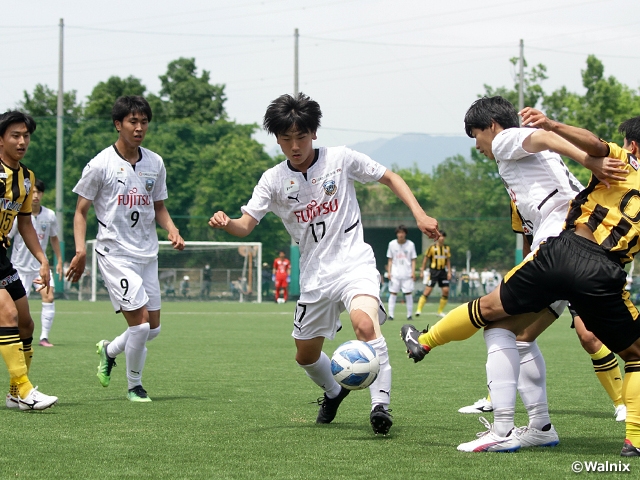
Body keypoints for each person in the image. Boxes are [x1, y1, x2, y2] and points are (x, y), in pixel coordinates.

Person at [401, 96, 627, 453]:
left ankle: (501, 429)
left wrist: (588, 160)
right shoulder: (524, 161)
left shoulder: (505, 140)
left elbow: (544, 137)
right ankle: (540, 426)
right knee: (521, 338)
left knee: (494, 322)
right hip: (583, 251)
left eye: (475, 135)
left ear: (491, 125)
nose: (477, 146)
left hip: (558, 247)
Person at [209, 92, 439, 435]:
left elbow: (390, 177)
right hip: (315, 276)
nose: (294, 145)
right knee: (305, 356)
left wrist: (419, 214)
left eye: (301, 136)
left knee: (364, 325)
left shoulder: (341, 159)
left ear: (314, 133)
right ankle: (334, 391)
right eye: (286, 139)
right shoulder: (272, 180)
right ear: (277, 139)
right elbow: (245, 225)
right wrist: (227, 223)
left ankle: (381, 406)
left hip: (353, 264)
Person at [66, 96, 185, 403]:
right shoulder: (100, 165)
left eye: (144, 122)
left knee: (152, 328)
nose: (139, 128)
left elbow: (159, 206)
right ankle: (135, 385)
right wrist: (80, 251)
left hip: (147, 253)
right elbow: (80, 212)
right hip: (115, 254)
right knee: (141, 324)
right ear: (118, 124)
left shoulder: (155, 162)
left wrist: (171, 230)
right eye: (133, 121)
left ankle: (108, 351)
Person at [0, 111, 58, 410]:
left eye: (26, 136)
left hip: (1, 254)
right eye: (15, 135)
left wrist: (42, 259)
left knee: (26, 324)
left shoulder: (26, 178)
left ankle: (13, 392)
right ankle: (24, 389)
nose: (22, 141)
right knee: (7, 315)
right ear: (1, 139)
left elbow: (25, 224)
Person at [8, 179, 62, 347]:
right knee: (16, 307)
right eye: (33, 192)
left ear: (42, 194)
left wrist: (59, 260)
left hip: (40, 267)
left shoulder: (50, 215)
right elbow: (8, 238)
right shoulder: (19, 216)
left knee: (49, 296)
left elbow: (54, 238)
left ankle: (44, 337)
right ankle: (14, 335)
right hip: (19, 267)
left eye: (39, 192)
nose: (36, 196)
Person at [416, 232, 450, 317]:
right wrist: (422, 270)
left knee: (446, 291)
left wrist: (449, 272)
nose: (442, 238)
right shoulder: (432, 247)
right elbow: (425, 259)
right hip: (434, 272)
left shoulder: (446, 248)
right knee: (428, 291)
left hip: (442, 272)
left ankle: (440, 311)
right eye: (440, 236)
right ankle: (418, 310)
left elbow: (448, 261)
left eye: (443, 237)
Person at [386, 225, 417, 320]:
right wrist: (389, 272)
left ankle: (409, 315)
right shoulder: (392, 244)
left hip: (407, 274)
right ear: (396, 234)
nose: (401, 235)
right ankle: (391, 315)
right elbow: (390, 259)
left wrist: (413, 272)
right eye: (399, 233)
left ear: (405, 234)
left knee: (408, 293)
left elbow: (413, 260)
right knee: (393, 293)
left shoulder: (410, 245)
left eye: (403, 232)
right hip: (395, 274)